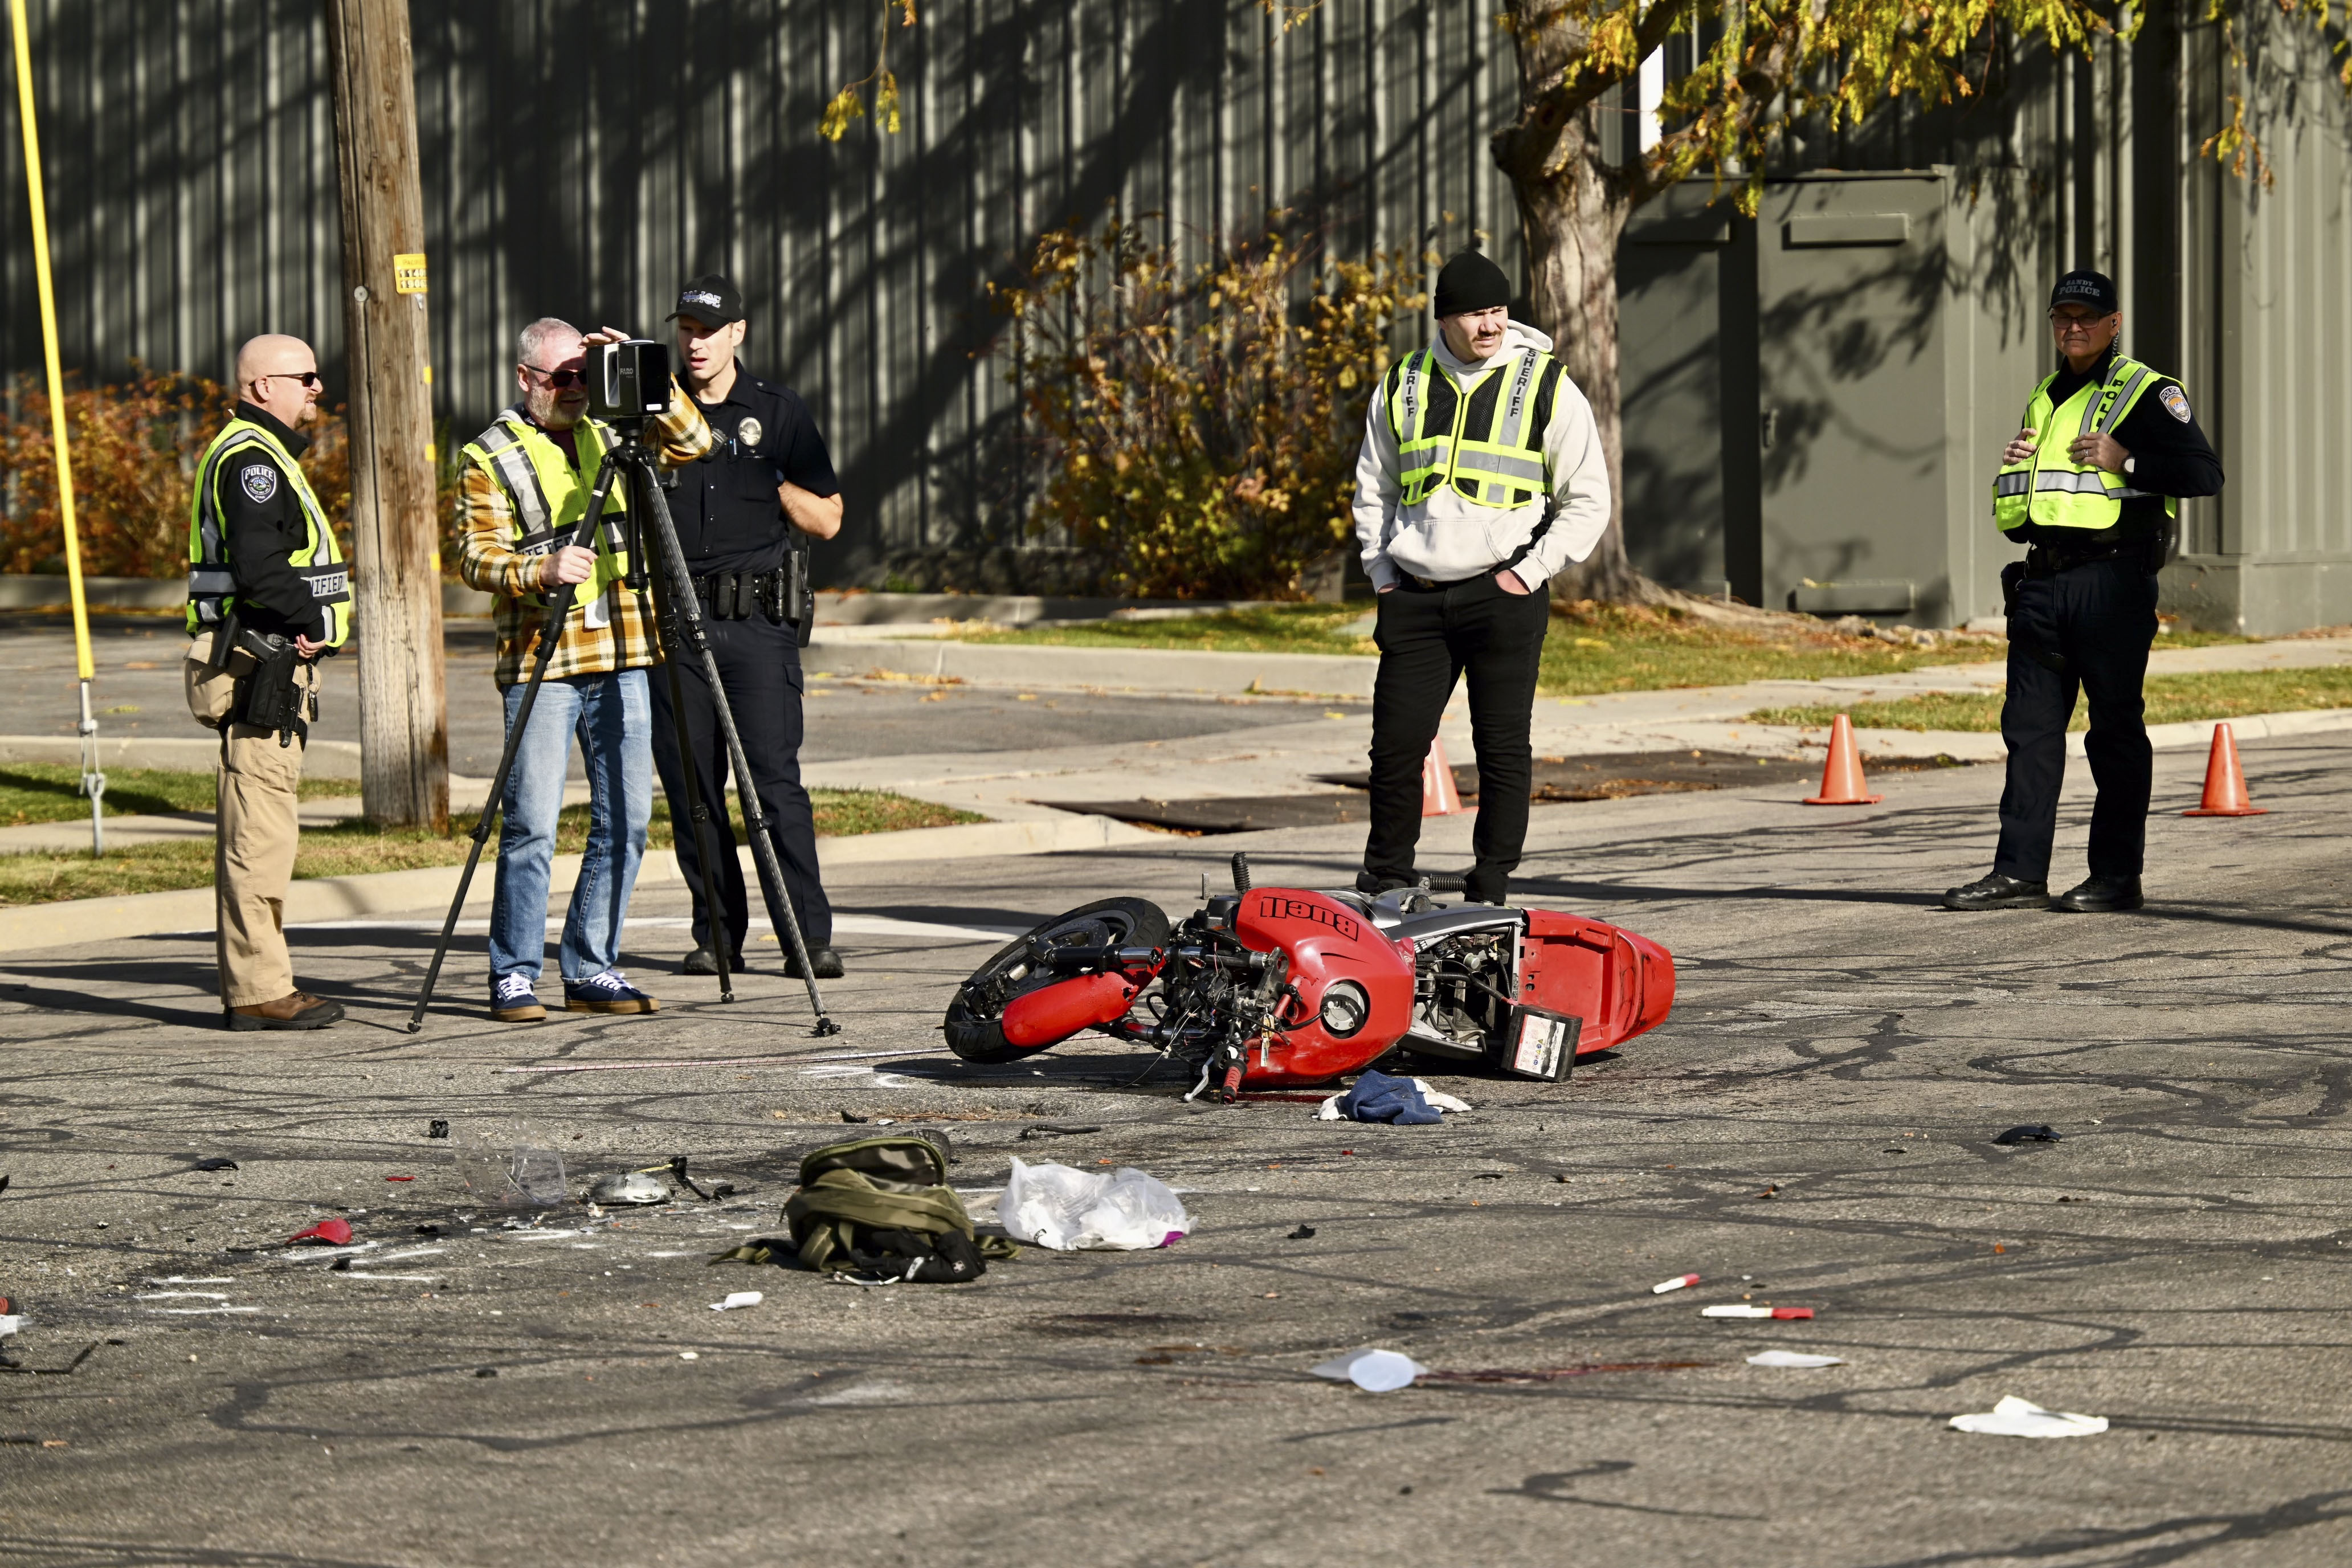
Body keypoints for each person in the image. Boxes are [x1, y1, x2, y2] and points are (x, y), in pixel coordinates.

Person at [456, 316, 716, 1021]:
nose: (575, 390)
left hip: (625, 653)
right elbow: (473, 556)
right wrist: (536, 568)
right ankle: (514, 971)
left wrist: (644, 370)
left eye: (584, 375)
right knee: (533, 824)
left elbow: (696, 443)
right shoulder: (488, 454)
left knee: (627, 821)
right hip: (544, 656)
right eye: (559, 378)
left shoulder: (617, 432)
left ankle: (592, 965)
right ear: (525, 379)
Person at [1943, 270, 2224, 913]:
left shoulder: (2148, 392)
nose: (2074, 326)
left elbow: (2204, 474)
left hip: (2112, 583)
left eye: (2087, 317)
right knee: (2029, 732)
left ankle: (2116, 876)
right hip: (2042, 582)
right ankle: (2018, 873)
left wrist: (2123, 459)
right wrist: (2020, 459)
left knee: (2114, 732)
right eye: (2063, 316)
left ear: (2114, 324)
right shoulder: (2045, 394)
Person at [1350, 249, 1610, 905]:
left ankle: (1491, 879)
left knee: (1501, 746)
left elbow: (1589, 499)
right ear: (1445, 319)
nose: (1490, 326)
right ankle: (1386, 879)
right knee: (1396, 745)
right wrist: (1380, 569)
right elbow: (1372, 487)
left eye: (1497, 312)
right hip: (1413, 596)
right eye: (1474, 315)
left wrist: (1532, 573)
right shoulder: (1404, 383)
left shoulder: (1546, 384)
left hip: (1502, 594)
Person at [651, 274, 845, 979]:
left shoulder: (778, 412)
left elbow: (828, 517)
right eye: (687, 329)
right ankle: (717, 936)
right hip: (677, 622)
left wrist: (770, 482)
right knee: (694, 789)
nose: (696, 343)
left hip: (757, 625)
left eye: (710, 330)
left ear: (738, 332)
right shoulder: (654, 411)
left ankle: (807, 937)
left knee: (772, 783)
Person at [182, 333, 353, 1030]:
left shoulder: (264, 452)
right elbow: (261, 567)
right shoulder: (253, 460)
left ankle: (263, 979)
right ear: (261, 388)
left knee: (266, 824)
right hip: (260, 660)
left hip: (267, 657)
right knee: (259, 830)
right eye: (305, 377)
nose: (317, 388)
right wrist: (310, 617)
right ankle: (258, 988)